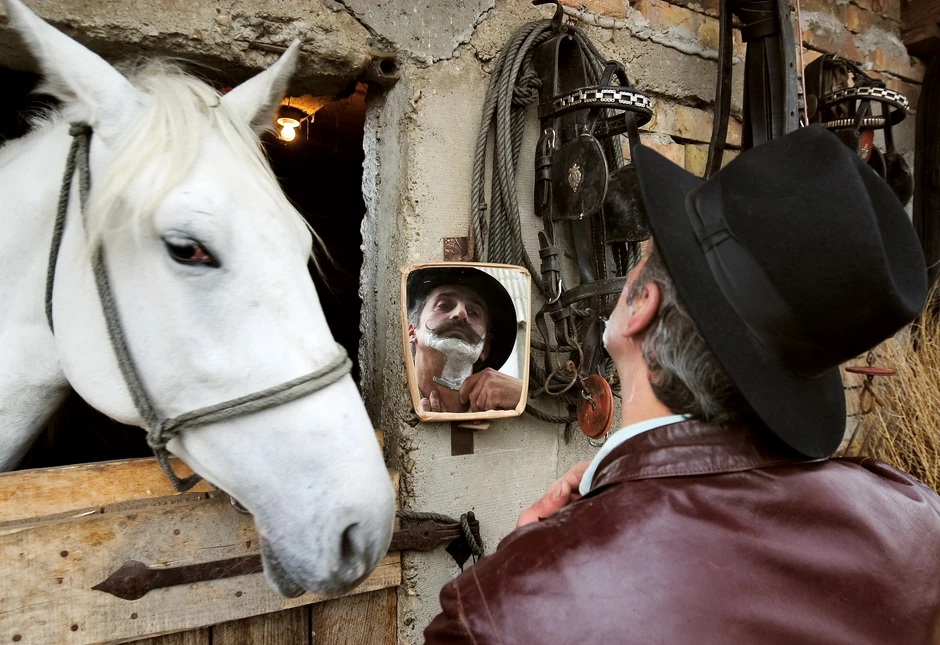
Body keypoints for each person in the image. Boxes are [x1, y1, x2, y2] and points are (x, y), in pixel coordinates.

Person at [423, 126, 940, 643]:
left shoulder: (502, 610)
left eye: (642, 256)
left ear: (641, 305)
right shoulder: (920, 521)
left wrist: (529, 567)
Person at [407, 267, 523, 413]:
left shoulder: (507, 408)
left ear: (485, 348)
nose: (461, 313)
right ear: (411, 331)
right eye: (443, 305)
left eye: (474, 313)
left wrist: (523, 395)